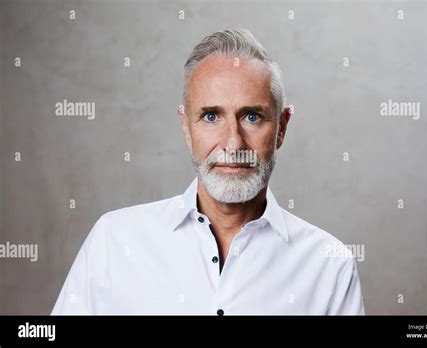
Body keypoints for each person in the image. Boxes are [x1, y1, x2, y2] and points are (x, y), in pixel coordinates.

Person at [52, 28, 365, 315]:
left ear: (282, 128)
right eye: (211, 116)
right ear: (186, 127)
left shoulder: (329, 265)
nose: (233, 143)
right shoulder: (114, 242)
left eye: (253, 117)